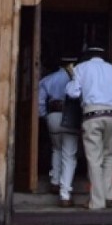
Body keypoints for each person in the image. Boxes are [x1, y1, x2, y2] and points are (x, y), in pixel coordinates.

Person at [65, 45, 112, 210]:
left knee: (94, 159)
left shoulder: (81, 68)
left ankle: (97, 201)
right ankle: (109, 195)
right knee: (110, 155)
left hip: (93, 115)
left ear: (87, 56)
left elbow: (73, 93)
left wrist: (71, 79)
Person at [37, 54, 79, 207]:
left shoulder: (48, 79)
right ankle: (65, 194)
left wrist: (44, 116)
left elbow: (40, 102)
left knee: (56, 148)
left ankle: (55, 181)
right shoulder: (76, 78)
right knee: (69, 154)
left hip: (53, 115)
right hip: (71, 115)